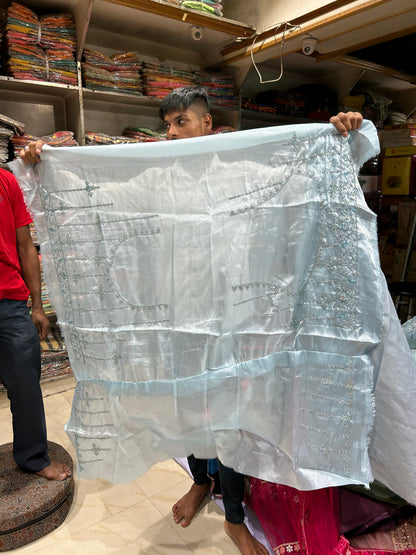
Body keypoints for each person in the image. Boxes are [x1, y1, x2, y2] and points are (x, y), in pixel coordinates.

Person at [20, 86, 363, 554]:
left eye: (181, 122)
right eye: (167, 124)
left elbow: (293, 177)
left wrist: (336, 134)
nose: (171, 132)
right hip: (175, 324)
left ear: (207, 125)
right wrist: (47, 163)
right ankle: (202, 483)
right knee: (187, 405)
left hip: (231, 323)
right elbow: (100, 191)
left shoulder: (240, 169)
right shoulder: (158, 176)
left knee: (228, 415)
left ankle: (235, 519)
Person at [0, 167, 71, 481]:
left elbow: (26, 246)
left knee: (26, 386)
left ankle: (33, 458)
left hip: (10, 301)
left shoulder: (6, 181)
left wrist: (38, 306)